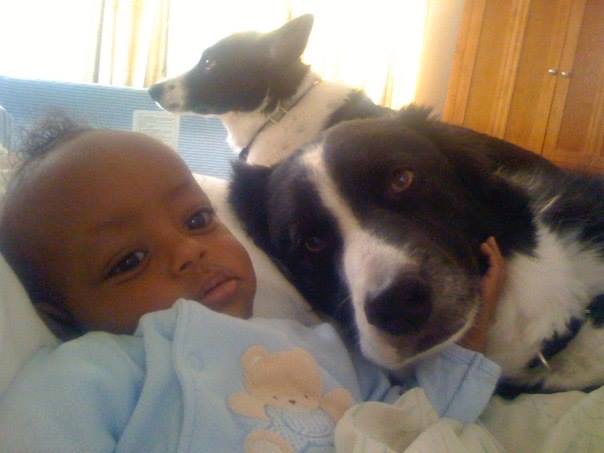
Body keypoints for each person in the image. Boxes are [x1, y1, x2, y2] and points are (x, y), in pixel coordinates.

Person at [0, 118, 505, 452]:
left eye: (197, 220)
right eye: (130, 260)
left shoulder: (318, 343)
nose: (187, 251)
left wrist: (470, 341)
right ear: (61, 317)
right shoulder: (88, 376)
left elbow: (413, 422)